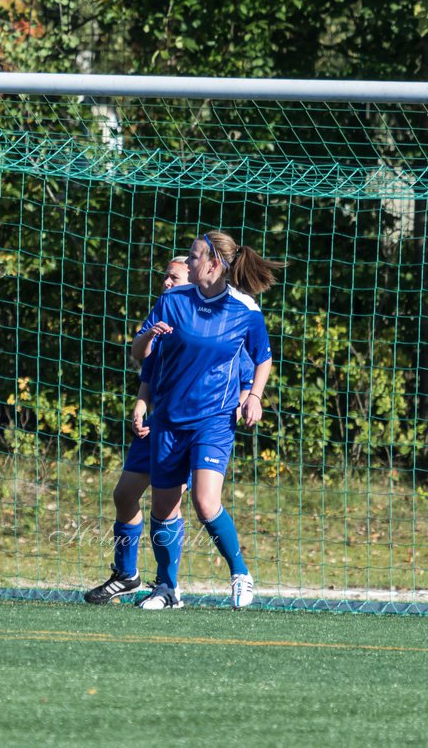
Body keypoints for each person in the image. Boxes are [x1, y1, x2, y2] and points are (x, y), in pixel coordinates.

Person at [84, 256, 251, 603]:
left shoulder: (216, 320)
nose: (167, 283)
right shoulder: (167, 311)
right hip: (160, 421)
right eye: (165, 277)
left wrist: (247, 398)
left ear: (194, 279)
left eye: (174, 277)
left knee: (184, 503)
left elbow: (246, 368)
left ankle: (171, 586)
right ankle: (127, 574)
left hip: (196, 424)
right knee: (125, 494)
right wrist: (142, 403)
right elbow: (147, 363)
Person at [132, 230, 282, 610]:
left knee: (204, 501)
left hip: (214, 419)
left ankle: (240, 574)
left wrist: (254, 396)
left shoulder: (244, 309)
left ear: (215, 264)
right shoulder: (172, 300)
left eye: (195, 256)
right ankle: (167, 589)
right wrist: (149, 335)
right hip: (168, 417)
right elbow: (140, 354)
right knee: (163, 507)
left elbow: (262, 357)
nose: (188, 261)